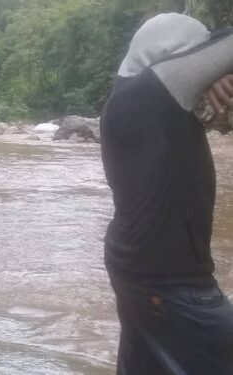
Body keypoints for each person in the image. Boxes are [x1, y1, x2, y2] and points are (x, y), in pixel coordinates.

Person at [100, 13, 233, 374]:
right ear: (171, 55)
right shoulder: (157, 86)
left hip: (136, 269)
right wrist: (212, 67)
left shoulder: (130, 97)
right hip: (169, 281)